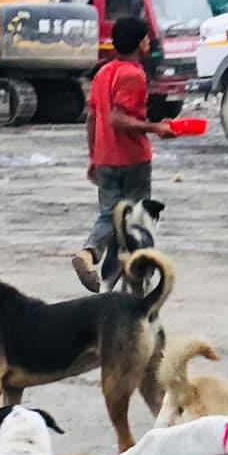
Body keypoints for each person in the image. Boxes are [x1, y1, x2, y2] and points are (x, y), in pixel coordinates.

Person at [72, 17, 175, 288]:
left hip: (105, 158)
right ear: (140, 41)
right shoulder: (133, 74)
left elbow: (93, 117)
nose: (148, 42)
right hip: (133, 159)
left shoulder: (103, 72)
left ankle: (98, 264)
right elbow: (118, 119)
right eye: (146, 37)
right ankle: (135, 276)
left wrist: (94, 156)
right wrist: (155, 127)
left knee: (110, 216)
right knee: (136, 220)